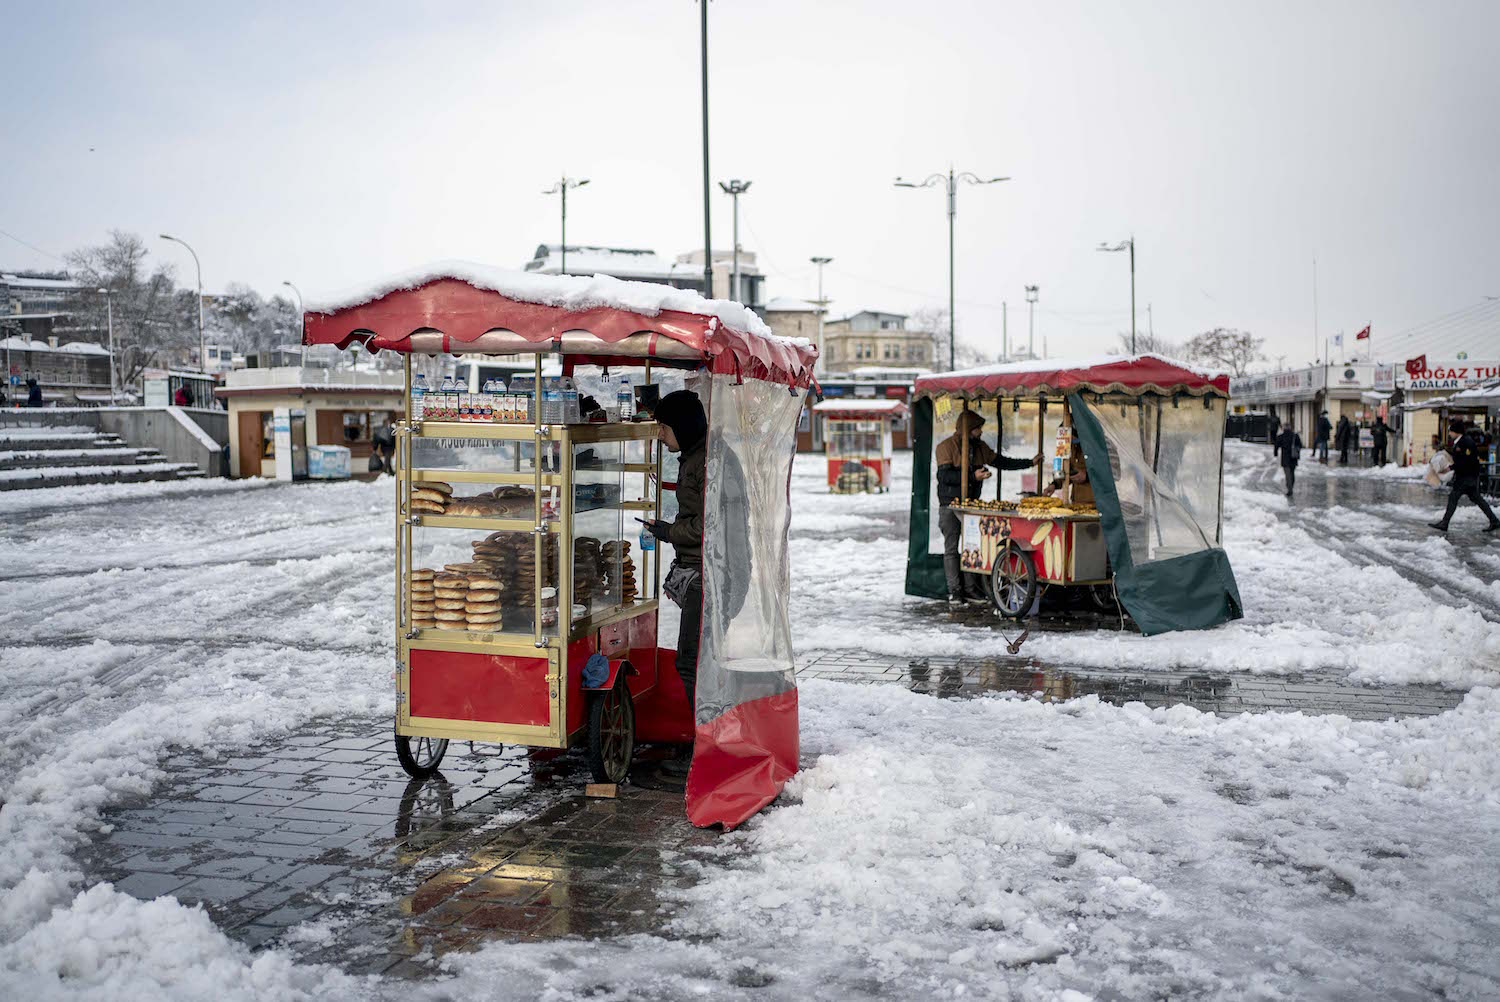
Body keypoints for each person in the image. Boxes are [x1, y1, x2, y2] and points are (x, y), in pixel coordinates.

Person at [640, 389, 708, 776]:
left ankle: (706, 744)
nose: (660, 435)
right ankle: (706, 739)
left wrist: (668, 531)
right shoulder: (694, 458)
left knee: (690, 663)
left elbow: (706, 524)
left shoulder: (705, 463)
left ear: (682, 426)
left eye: (664, 427)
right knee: (697, 661)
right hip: (698, 570)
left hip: (706, 574)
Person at [936, 409, 1042, 605]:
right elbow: (944, 477)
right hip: (950, 505)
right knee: (951, 548)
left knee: (972, 547)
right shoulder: (945, 447)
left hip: (972, 506)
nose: (981, 432)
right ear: (968, 430)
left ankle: (971, 589)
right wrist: (972, 476)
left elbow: (1001, 462)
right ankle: (955, 591)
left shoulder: (979, 447)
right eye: (977, 429)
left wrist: (1029, 463)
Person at [1429, 418, 1500, 533]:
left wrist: (1450, 468)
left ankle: (1445, 523)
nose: (1450, 434)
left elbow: (1465, 461)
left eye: (1451, 431)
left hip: (1466, 477)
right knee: (1477, 499)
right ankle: (1494, 521)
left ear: (1457, 432)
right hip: (1468, 476)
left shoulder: (1465, 443)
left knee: (1453, 498)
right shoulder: (1462, 442)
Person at [1273, 422, 1303, 496]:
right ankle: (1290, 486)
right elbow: (1300, 445)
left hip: (1285, 458)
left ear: (1283, 428)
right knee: (1292, 473)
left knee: (1287, 474)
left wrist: (1275, 453)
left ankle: (1290, 489)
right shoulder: (1295, 436)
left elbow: (1276, 445)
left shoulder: (1281, 437)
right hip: (1293, 457)